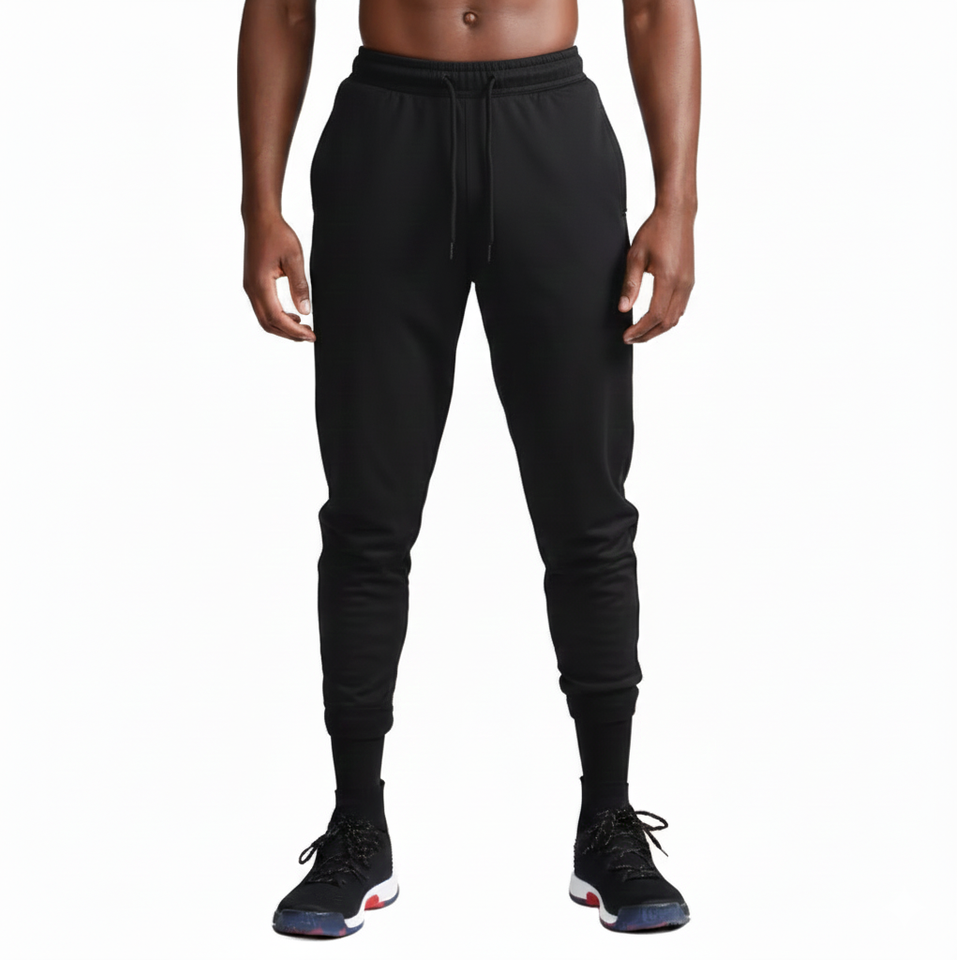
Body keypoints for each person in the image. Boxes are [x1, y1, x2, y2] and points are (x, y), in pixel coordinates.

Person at [238, 0, 700, 938]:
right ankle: (357, 825)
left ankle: (608, 820)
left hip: (551, 131)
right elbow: (281, 7)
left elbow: (657, 8)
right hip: (386, 135)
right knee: (367, 515)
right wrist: (260, 204)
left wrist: (678, 202)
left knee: (588, 512)